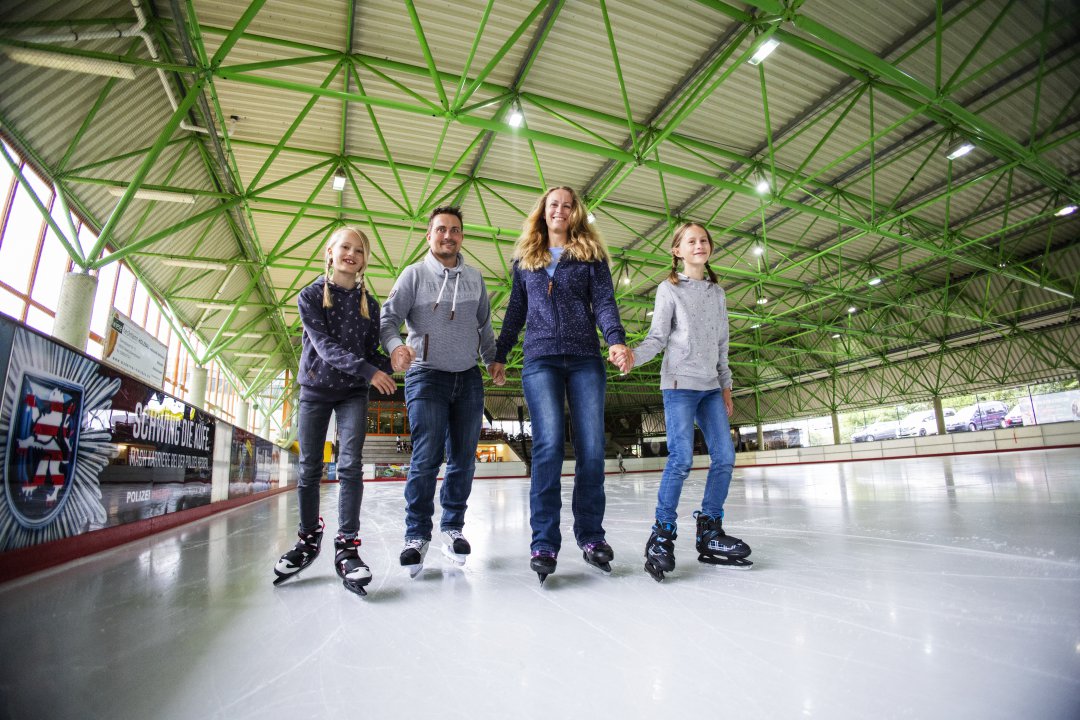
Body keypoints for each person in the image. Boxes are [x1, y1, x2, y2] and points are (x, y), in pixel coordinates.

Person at [490, 186, 633, 585]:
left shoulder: (591, 255)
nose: (560, 210)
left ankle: (591, 536)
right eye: (554, 204)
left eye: (568, 206)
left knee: (591, 448)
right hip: (541, 359)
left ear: (575, 214)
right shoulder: (525, 259)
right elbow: (516, 311)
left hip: (585, 357)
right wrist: (500, 354)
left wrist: (615, 339)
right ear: (543, 210)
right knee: (549, 445)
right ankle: (544, 542)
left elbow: (604, 302)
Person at [272, 226, 396, 596]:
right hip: (315, 390)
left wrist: (394, 360)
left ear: (365, 259)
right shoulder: (310, 295)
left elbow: (370, 354)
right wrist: (371, 371)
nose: (351, 254)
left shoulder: (369, 304)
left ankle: (347, 546)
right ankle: (308, 537)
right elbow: (324, 347)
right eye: (345, 247)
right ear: (330, 252)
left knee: (350, 466)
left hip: (353, 394)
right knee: (310, 466)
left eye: (359, 250)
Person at [628, 222, 752, 582]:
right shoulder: (669, 289)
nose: (699, 245)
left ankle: (709, 529)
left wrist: (726, 386)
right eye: (691, 241)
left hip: (711, 387)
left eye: (704, 240)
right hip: (680, 385)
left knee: (725, 457)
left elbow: (722, 343)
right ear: (677, 251)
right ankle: (662, 534)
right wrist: (633, 356)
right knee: (681, 458)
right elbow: (657, 338)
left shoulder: (717, 293)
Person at [380, 206, 498, 578]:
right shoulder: (413, 275)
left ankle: (453, 527)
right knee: (427, 457)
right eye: (441, 229)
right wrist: (395, 347)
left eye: (455, 230)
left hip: (468, 377)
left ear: (462, 236)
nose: (449, 235)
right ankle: (416, 534)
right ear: (429, 235)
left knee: (463, 460)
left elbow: (484, 326)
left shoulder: (475, 278)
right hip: (426, 376)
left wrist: (492, 361)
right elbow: (387, 319)